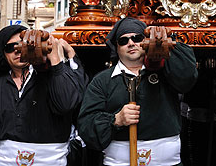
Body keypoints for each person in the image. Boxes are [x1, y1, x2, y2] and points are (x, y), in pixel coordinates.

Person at [0, 25, 85, 165]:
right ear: (3, 54)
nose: (18, 51)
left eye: (24, 46)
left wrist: (55, 60)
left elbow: (67, 104)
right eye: (11, 48)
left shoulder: (55, 78)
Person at [77, 17, 198, 166]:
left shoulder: (167, 72)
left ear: (146, 41)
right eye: (123, 41)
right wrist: (116, 120)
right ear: (116, 47)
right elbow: (85, 126)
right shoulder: (102, 81)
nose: (131, 43)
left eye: (137, 38)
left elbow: (187, 77)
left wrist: (168, 41)